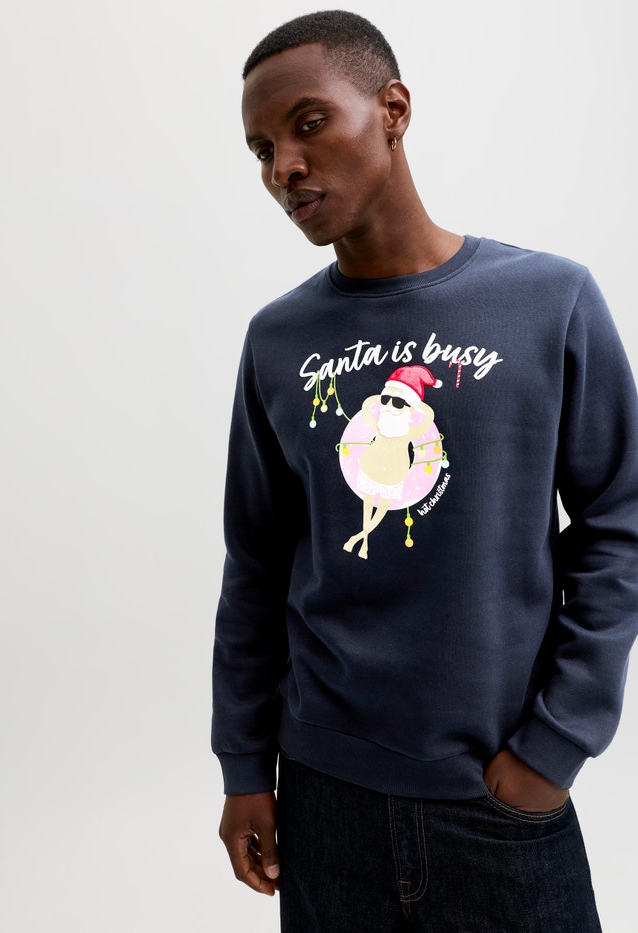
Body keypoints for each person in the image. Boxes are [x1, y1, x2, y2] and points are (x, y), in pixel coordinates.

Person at [211, 10, 638, 931]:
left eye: (309, 125)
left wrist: (554, 746)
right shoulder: (277, 339)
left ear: (393, 110)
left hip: (501, 801)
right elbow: (256, 565)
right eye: (262, 149)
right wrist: (244, 767)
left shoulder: (549, 300)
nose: (284, 168)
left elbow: (621, 523)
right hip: (324, 797)